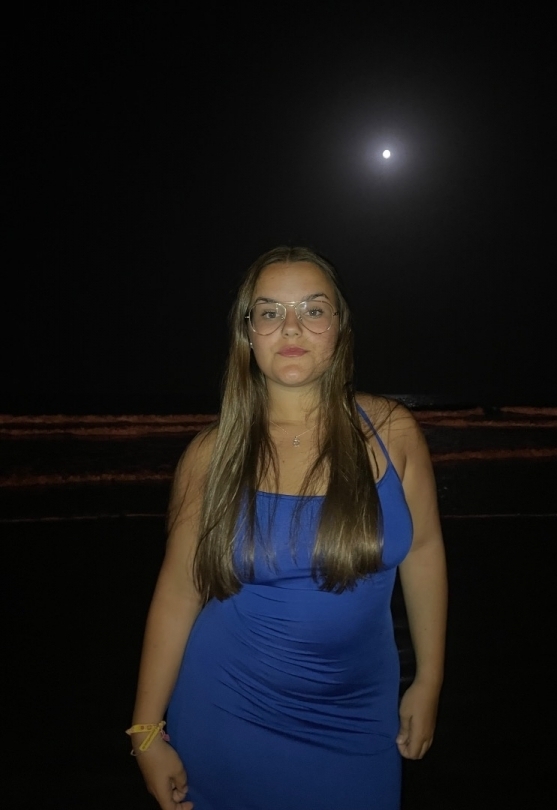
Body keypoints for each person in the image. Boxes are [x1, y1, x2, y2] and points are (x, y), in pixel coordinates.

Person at [129, 246, 447, 810]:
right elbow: (178, 594)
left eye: (313, 310)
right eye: (270, 312)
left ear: (339, 328)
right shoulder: (211, 456)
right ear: (248, 333)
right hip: (229, 714)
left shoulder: (392, 431)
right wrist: (146, 732)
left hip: (360, 717)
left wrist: (429, 679)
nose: (292, 327)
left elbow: (422, 552)